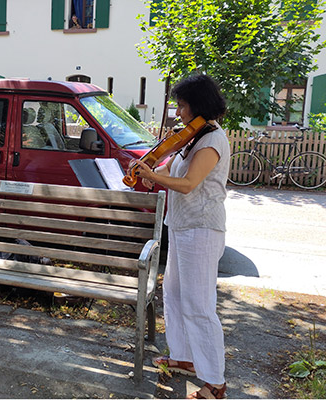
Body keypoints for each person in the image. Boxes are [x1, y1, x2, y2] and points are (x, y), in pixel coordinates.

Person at [127, 74, 229, 399]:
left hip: (202, 229)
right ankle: (184, 357)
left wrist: (154, 175)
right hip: (182, 226)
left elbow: (189, 185)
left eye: (182, 105)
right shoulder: (191, 138)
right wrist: (151, 173)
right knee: (172, 294)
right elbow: (172, 172)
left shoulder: (212, 140)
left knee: (200, 306)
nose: (178, 111)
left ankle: (215, 382)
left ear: (197, 104)